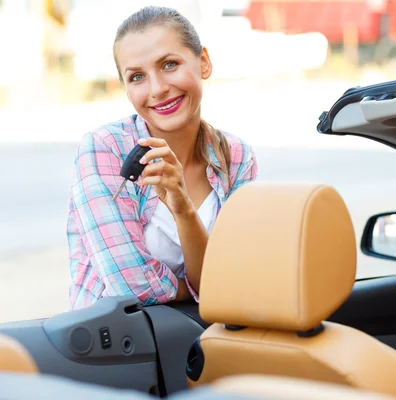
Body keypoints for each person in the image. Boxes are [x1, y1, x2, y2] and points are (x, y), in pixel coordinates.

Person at [66, 6, 257, 311]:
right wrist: (192, 290)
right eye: (137, 77)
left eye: (169, 64)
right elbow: (129, 286)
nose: (157, 89)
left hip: (204, 342)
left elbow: (228, 281)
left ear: (204, 63)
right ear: (126, 88)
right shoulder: (106, 148)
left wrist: (183, 210)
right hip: (117, 345)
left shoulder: (236, 157)